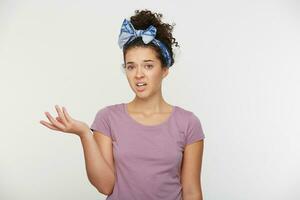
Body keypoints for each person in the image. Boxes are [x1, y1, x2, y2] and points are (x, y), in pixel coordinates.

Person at [40, 9, 205, 200]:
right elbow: (105, 186)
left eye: (148, 65)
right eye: (131, 66)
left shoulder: (188, 123)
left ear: (165, 70)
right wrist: (85, 134)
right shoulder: (108, 118)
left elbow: (192, 191)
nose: (138, 75)